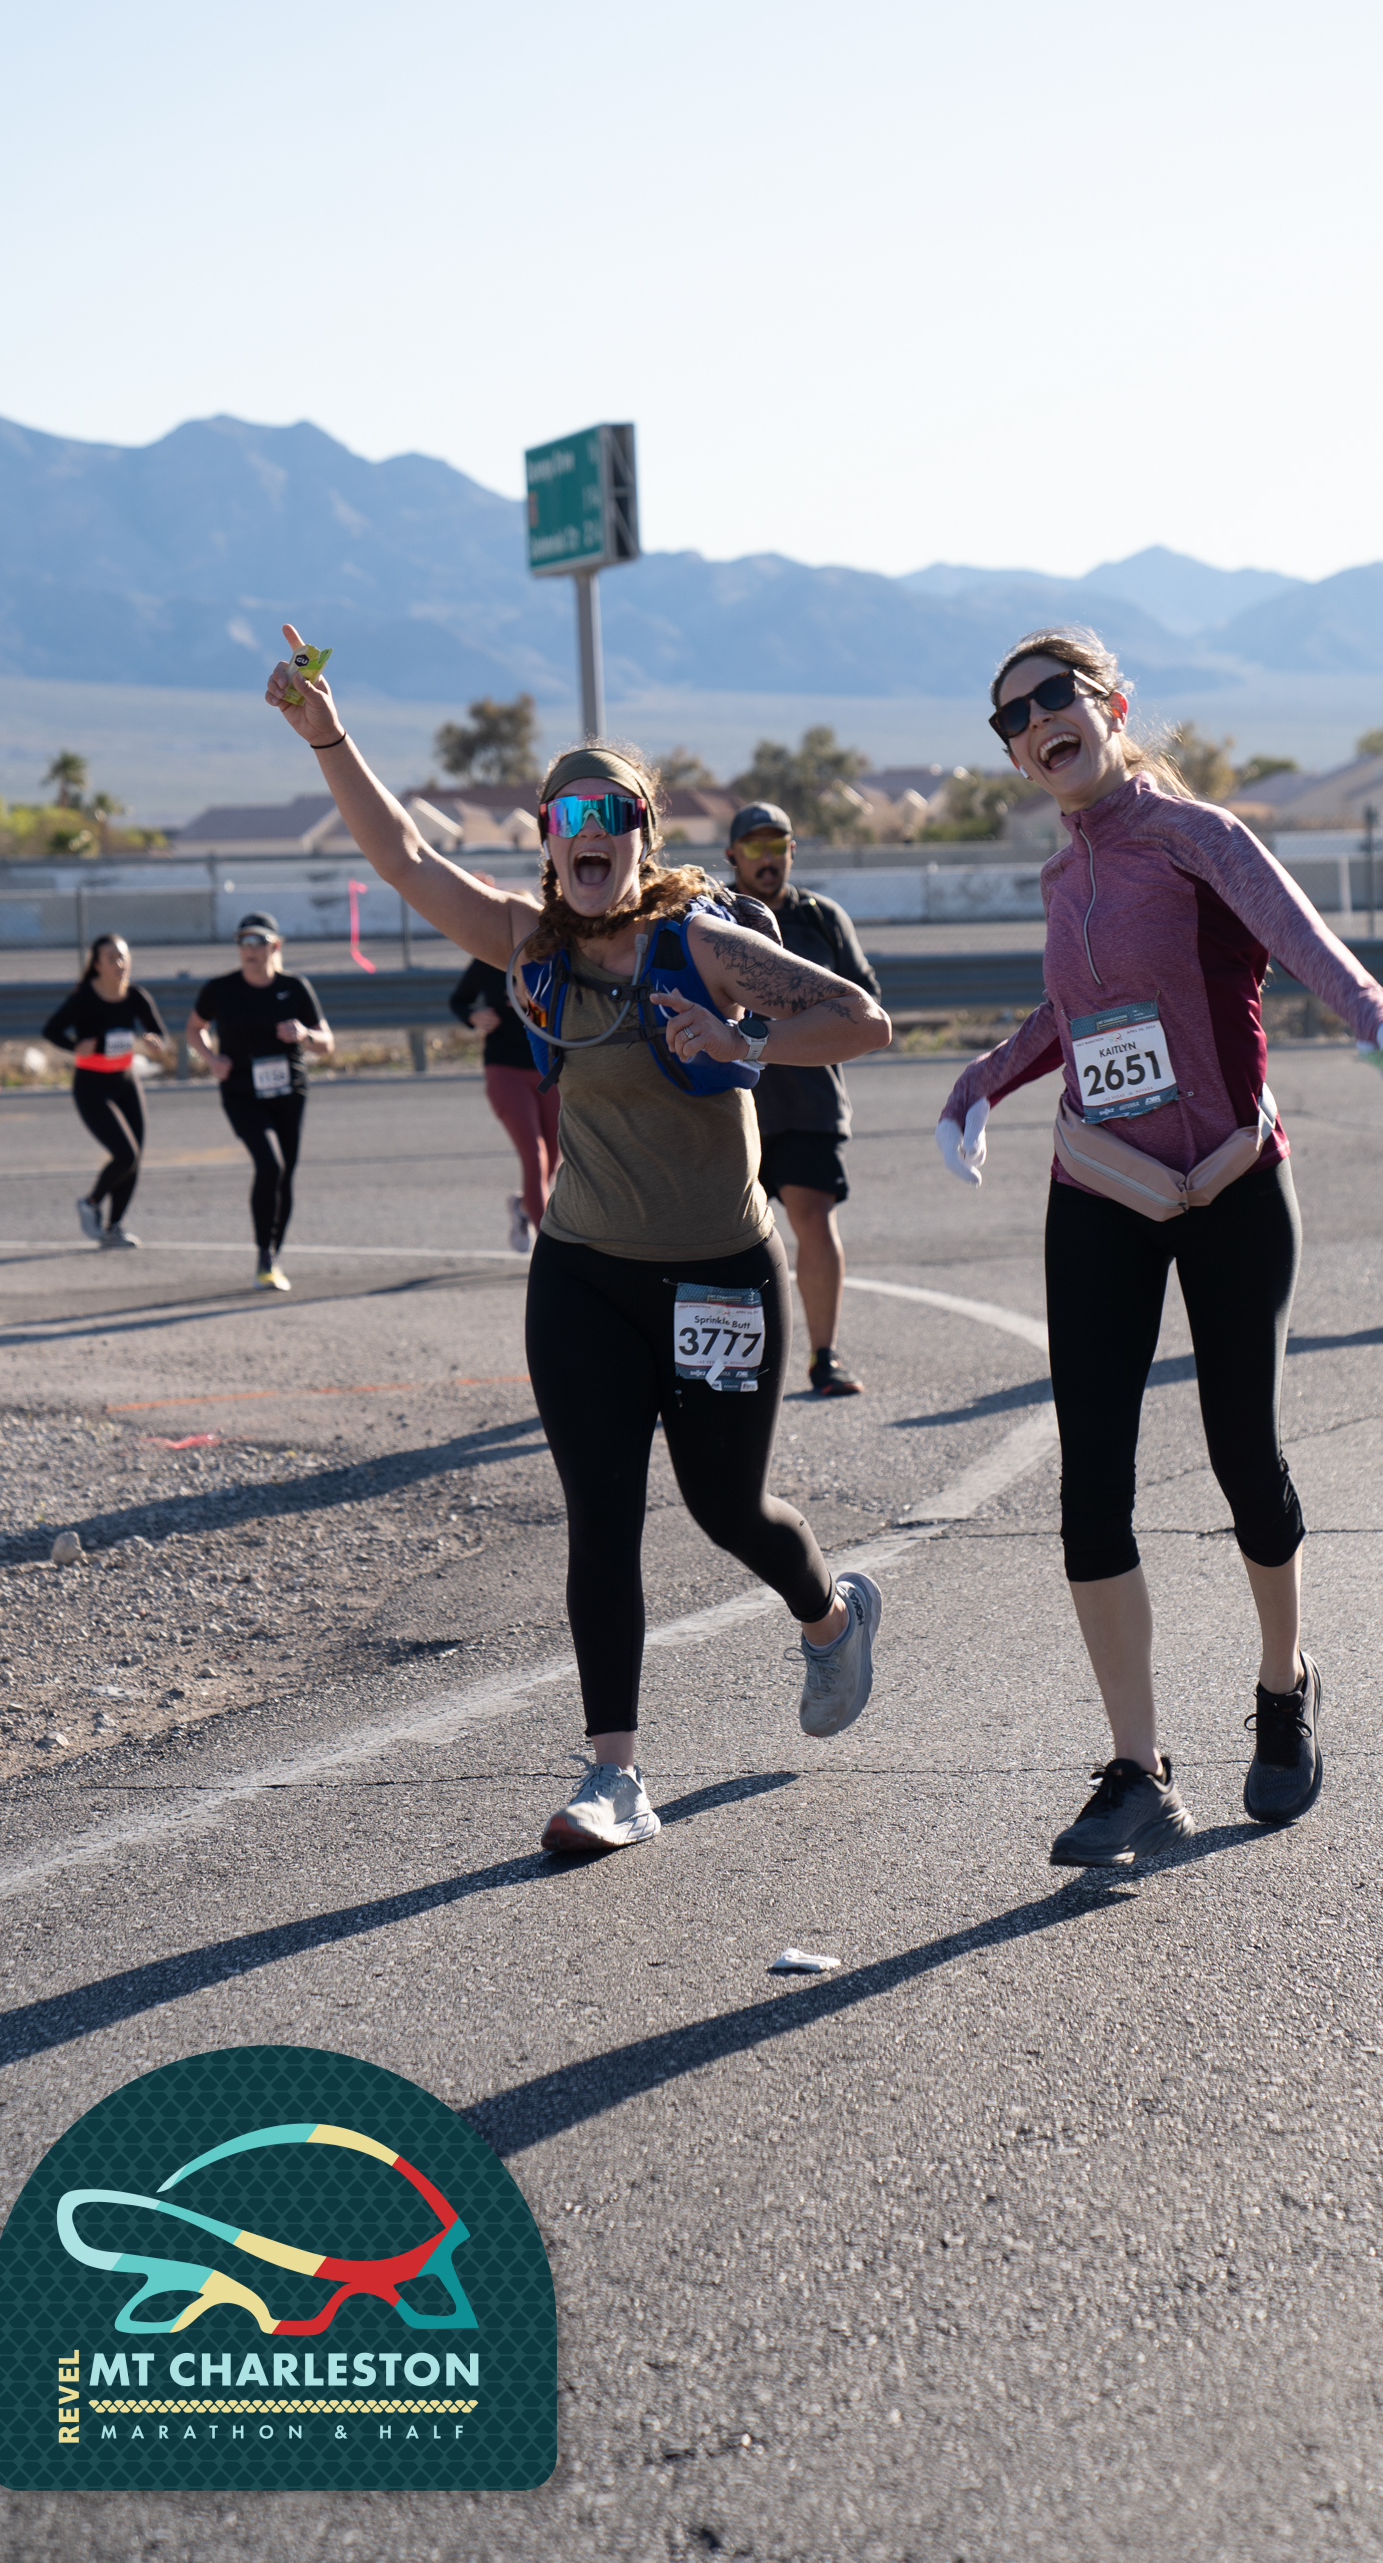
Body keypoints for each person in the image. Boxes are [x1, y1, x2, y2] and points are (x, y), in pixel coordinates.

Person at [263, 623, 894, 1856]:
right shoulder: (530, 942)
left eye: (609, 812)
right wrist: (327, 735)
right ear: (548, 842)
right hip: (585, 1274)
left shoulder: (702, 942)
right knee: (602, 1515)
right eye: (565, 816)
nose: (585, 830)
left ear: (641, 833)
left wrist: (744, 1041)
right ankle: (616, 1775)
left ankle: (830, 1616)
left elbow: (862, 1020)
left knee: (726, 1508)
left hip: (718, 1272)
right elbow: (403, 856)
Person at [935, 627, 1383, 1869]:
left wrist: (1375, 1014)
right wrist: (978, 1083)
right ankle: (1135, 1768)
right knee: (1090, 1486)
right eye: (1011, 717)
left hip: (1227, 1182)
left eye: (1053, 696)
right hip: (1098, 1185)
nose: (1034, 722)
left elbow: (1295, 929)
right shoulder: (1060, 877)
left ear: (1111, 704)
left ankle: (1283, 1683)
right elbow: (1071, 1015)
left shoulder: (1197, 836)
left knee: (1241, 1455)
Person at [725, 798, 882, 1395]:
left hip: (808, 1101)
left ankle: (824, 1357)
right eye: (755, 847)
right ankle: (713, 1367)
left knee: (814, 1221)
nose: (767, 859)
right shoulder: (712, 916)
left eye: (777, 846)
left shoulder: (822, 918)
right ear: (733, 855)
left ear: (792, 851)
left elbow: (864, 1004)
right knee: (720, 1240)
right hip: (728, 1105)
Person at [186, 912, 333, 1292]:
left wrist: (303, 1034)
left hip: (289, 1092)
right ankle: (264, 1256)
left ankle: (273, 1256)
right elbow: (195, 1028)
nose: (250, 950)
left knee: (285, 1173)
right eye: (243, 942)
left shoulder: (294, 987)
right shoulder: (220, 989)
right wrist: (211, 1059)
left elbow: (327, 1042)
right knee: (269, 1164)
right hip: (241, 1092)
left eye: (258, 942)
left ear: (275, 946)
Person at [42, 934, 171, 1249]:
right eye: (111, 958)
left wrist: (155, 1043)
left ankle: (114, 1227)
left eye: (123, 957)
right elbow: (51, 1030)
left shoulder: (136, 996)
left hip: (126, 1082)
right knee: (125, 1153)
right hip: (92, 1087)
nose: (120, 963)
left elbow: (159, 1033)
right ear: (97, 965)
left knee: (135, 1158)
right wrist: (75, 1045)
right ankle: (91, 1202)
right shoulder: (85, 997)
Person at [449, 931, 560, 1255]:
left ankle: (523, 1206)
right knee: (534, 1156)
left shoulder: (551, 961)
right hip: (504, 1070)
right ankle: (551, 1252)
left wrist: (530, 1006)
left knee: (554, 1158)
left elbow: (561, 1018)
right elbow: (459, 1000)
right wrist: (474, 1016)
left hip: (547, 1072)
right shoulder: (488, 960)